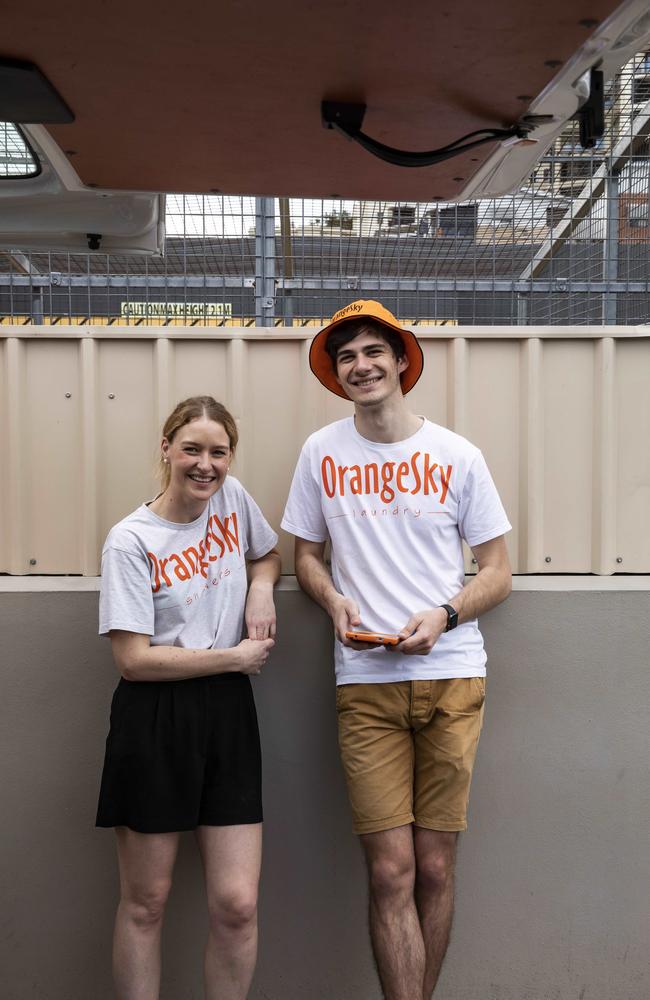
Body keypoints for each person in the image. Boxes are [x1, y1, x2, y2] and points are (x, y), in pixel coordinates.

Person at [281, 301, 512, 1000]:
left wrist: (444, 614)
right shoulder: (321, 453)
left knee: (436, 869)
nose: (361, 365)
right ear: (335, 373)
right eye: (346, 355)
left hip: (452, 680)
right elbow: (307, 555)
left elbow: (499, 572)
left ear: (402, 361)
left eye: (373, 351)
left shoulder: (456, 455)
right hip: (366, 684)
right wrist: (332, 601)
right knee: (390, 872)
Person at [96, 395, 280, 1000]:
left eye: (219, 452)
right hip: (155, 717)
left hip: (228, 716)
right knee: (146, 902)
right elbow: (133, 660)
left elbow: (268, 553)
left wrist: (260, 589)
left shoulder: (231, 499)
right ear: (167, 449)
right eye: (193, 450)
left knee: (237, 904)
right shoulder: (131, 540)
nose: (206, 465)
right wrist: (232, 657)